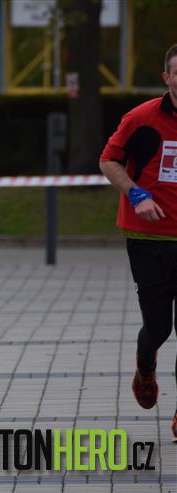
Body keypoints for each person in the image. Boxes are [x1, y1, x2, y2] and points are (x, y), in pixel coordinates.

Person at [99, 44, 177, 440]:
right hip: (149, 239)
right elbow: (108, 160)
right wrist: (135, 193)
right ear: (167, 77)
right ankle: (145, 366)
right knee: (159, 328)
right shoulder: (141, 119)